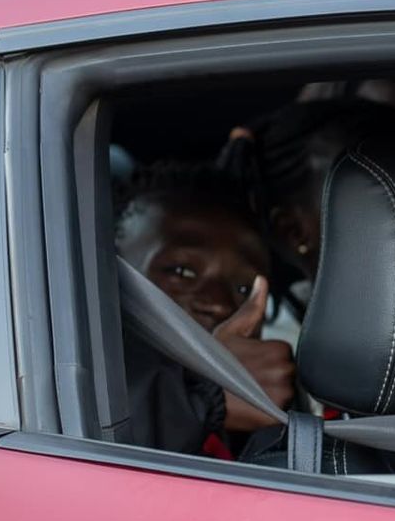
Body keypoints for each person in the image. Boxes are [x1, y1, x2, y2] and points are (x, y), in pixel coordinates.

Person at [115, 162, 296, 452]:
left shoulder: (274, 436)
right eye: (181, 272)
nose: (220, 305)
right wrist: (204, 398)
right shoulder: (62, 385)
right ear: (108, 280)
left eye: (243, 289)